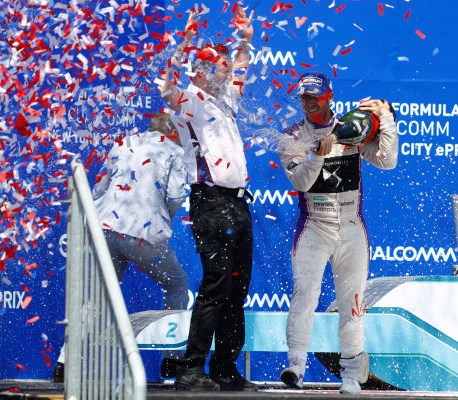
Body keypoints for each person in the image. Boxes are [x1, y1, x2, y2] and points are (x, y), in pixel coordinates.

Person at [277, 71, 398, 395]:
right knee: (305, 296)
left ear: (329, 97)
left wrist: (386, 121)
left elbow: (387, 161)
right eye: (304, 97)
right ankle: (296, 367)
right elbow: (301, 182)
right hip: (313, 226)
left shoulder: (352, 127)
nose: (309, 103)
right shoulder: (291, 136)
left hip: (351, 228)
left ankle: (349, 375)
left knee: (353, 303)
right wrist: (317, 154)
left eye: (315, 97)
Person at [159, 7, 257, 392]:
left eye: (224, 64)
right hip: (211, 203)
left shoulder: (225, 101)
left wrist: (245, 41)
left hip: (237, 203)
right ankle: (191, 367)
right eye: (218, 65)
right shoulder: (192, 100)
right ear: (199, 71)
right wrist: (183, 43)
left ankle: (225, 367)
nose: (225, 70)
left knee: (237, 286)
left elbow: (241, 72)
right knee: (216, 286)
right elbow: (166, 87)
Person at [52, 113, 189, 382]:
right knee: (176, 284)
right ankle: (173, 362)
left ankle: (64, 362)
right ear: (173, 131)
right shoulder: (174, 150)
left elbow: (100, 188)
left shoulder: (124, 142)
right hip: (143, 233)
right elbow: (175, 195)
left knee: (96, 298)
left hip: (106, 228)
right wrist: (164, 219)